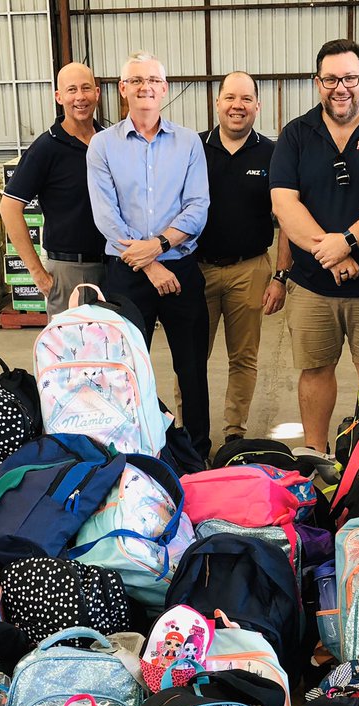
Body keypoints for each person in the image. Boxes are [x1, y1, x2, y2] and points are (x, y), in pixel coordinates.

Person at [270, 38, 359, 471]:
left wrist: (347, 241)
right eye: (331, 79)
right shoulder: (296, 134)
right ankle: (315, 456)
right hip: (313, 282)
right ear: (318, 83)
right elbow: (284, 204)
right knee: (315, 369)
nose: (341, 88)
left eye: (349, 78)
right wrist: (331, 252)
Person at [88, 51, 212, 459]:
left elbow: (197, 206)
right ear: (122, 89)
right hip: (127, 274)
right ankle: (135, 451)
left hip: (181, 270)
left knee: (191, 369)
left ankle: (196, 452)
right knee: (126, 371)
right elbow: (107, 217)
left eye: (153, 80)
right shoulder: (102, 146)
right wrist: (150, 264)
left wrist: (159, 248)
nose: (145, 87)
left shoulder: (189, 142)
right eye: (136, 80)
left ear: (165, 88)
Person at [197, 71, 294, 444]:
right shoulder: (194, 149)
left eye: (246, 99)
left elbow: (287, 218)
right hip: (197, 269)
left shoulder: (273, 154)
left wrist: (280, 276)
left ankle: (234, 433)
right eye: (230, 98)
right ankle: (192, 433)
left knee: (243, 358)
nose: (238, 106)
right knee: (193, 359)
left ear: (257, 105)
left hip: (250, 269)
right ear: (217, 103)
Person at [0, 62, 107, 318]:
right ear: (59, 97)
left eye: (85, 89)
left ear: (97, 93)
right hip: (70, 270)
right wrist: (38, 273)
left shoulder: (108, 142)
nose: (80, 97)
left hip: (114, 267)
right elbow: (9, 207)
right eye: (71, 90)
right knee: (73, 354)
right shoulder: (46, 148)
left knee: (109, 353)